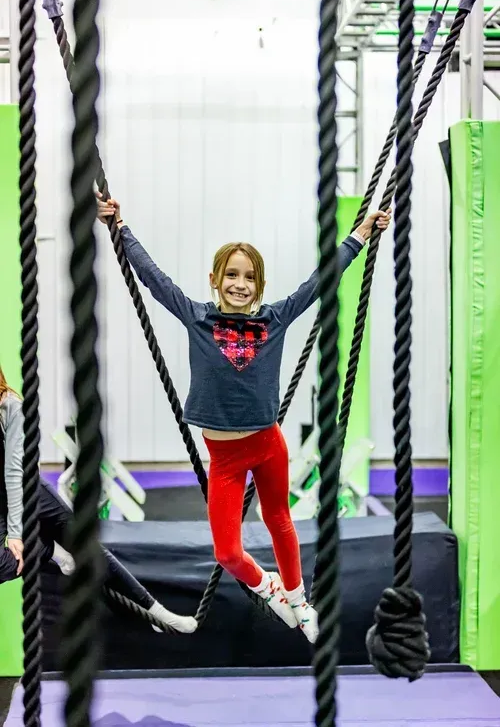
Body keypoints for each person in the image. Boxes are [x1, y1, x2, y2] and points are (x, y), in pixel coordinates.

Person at [97, 194, 391, 644]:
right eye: (231, 275)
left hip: (267, 444)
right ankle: (267, 584)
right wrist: (120, 227)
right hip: (224, 457)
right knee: (228, 552)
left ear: (260, 283)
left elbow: (321, 281)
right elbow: (153, 279)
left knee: (280, 521)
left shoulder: (275, 319)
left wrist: (360, 235)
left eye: (249, 277)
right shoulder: (198, 317)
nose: (240, 283)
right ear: (215, 280)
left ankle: (298, 598)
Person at [0, 366, 197, 634]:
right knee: (9, 561)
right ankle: (51, 551)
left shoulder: (11, 407)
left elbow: (13, 472)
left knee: (85, 545)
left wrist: (15, 532)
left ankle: (156, 612)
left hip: (27, 489)